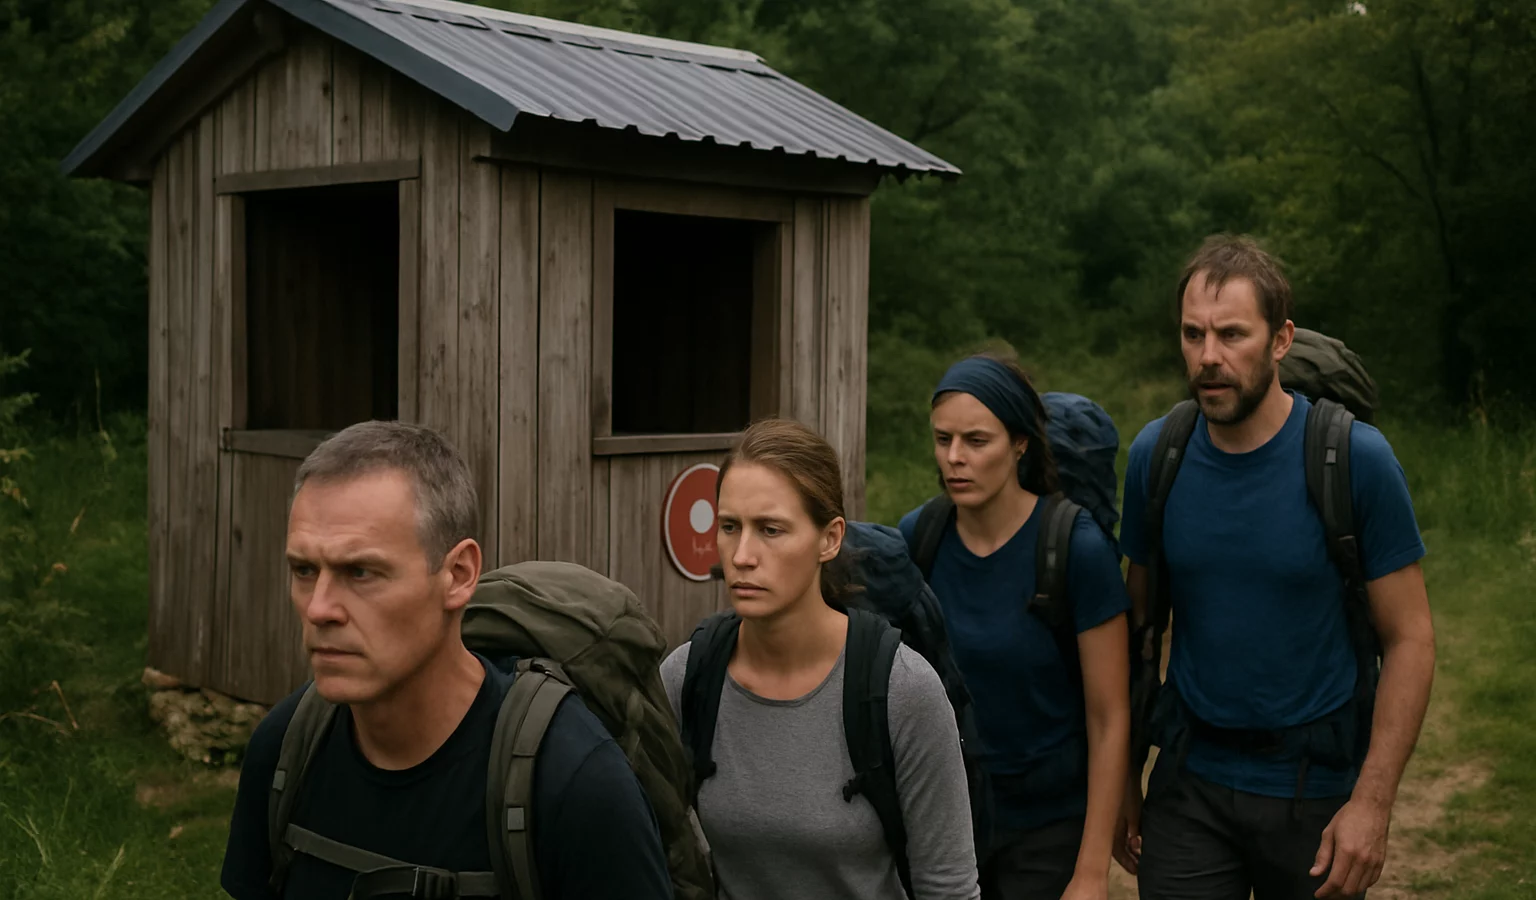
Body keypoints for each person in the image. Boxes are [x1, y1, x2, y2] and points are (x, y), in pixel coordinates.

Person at [220, 420, 674, 900]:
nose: (319, 608)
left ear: (458, 574)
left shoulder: (575, 784)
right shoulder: (285, 750)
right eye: (304, 570)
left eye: (360, 571)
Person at [1114, 235, 1436, 900]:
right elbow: (1136, 631)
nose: (1209, 356)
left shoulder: (1356, 461)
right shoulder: (1157, 456)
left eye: (1232, 334)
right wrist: (1122, 779)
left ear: (1281, 339)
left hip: (1313, 788)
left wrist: (1372, 804)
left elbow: (1410, 639)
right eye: (1193, 334)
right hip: (1189, 781)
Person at [662, 417, 981, 900]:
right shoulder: (686, 677)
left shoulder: (902, 690)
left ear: (829, 539)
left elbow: (949, 888)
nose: (742, 555)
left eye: (770, 529)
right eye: (729, 527)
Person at [897, 352, 1133, 900]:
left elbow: (1109, 716)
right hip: (945, 820)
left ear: (1020, 442)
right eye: (943, 439)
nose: (955, 458)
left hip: (1048, 826)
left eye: (976, 441)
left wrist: (1091, 871)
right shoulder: (919, 539)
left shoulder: (1074, 549)